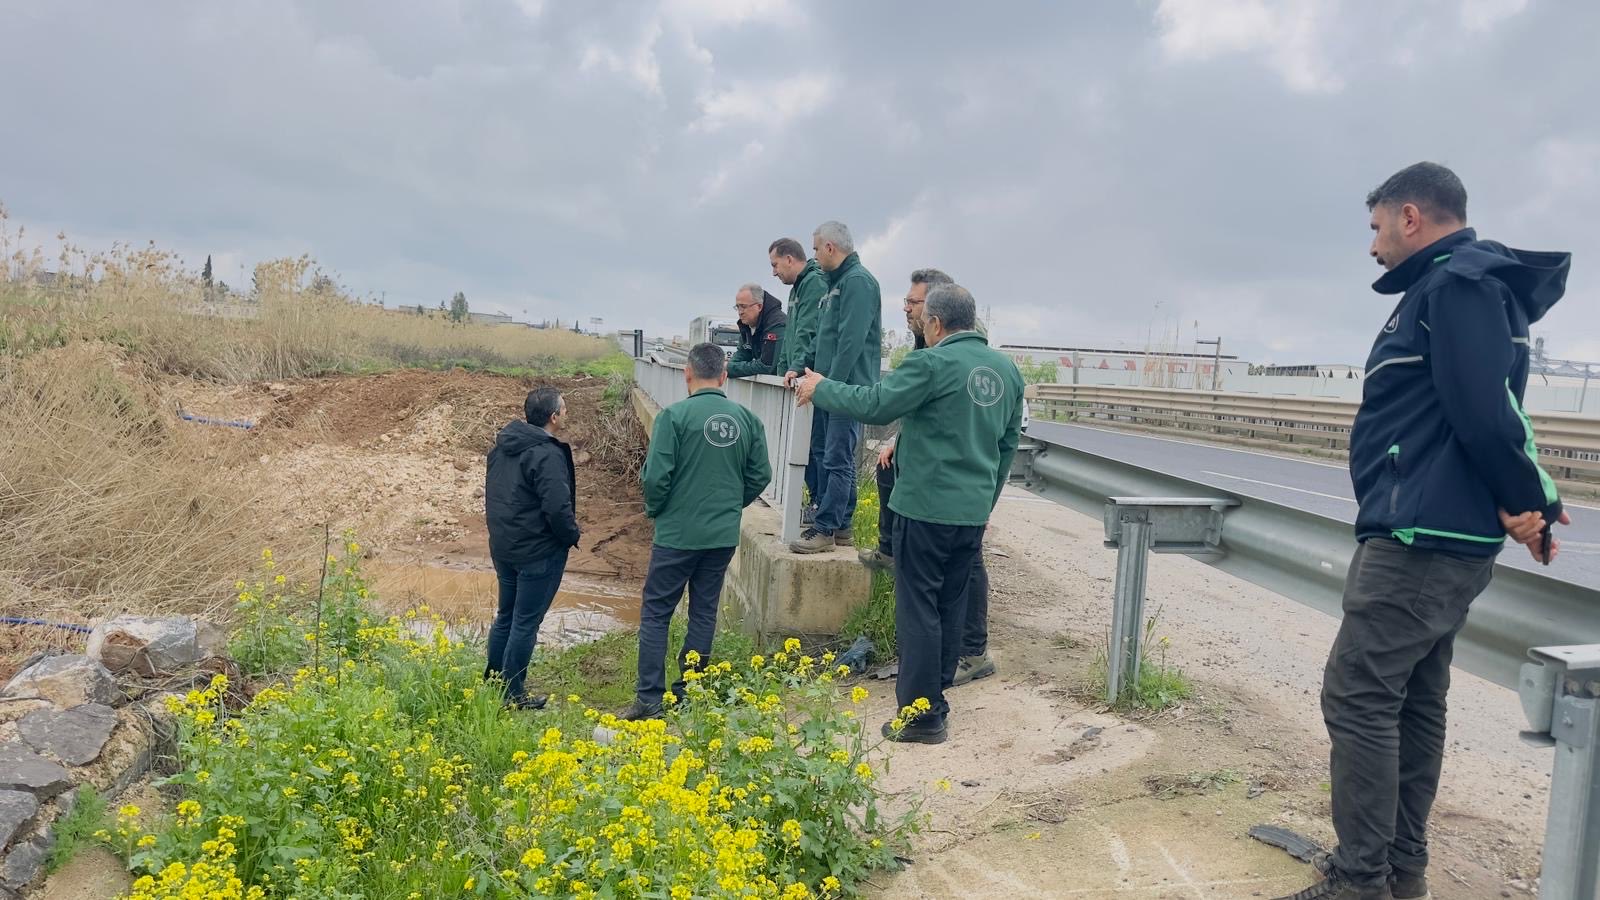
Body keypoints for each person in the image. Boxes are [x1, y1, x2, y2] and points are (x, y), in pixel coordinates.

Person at [1276, 162, 1571, 900]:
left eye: (1376, 228)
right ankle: (1398, 872)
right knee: (1409, 700)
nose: (1372, 246)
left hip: (1420, 538)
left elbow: (1485, 411)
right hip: (1433, 529)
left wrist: (1527, 496)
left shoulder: (1458, 286)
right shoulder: (1452, 289)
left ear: (1411, 217)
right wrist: (1522, 500)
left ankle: (1363, 879)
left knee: (1358, 694)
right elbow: (1475, 411)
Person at [796, 283, 1021, 744]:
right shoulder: (1006, 371)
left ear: (935, 324)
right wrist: (984, 501)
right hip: (970, 512)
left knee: (917, 607)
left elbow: (876, 405)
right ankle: (935, 698)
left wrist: (820, 388)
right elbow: (1006, 447)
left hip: (925, 507)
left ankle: (921, 718)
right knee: (950, 605)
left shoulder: (930, 363)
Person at [618, 343, 771, 720]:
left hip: (677, 534)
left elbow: (656, 477)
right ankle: (690, 691)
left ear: (687, 374)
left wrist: (658, 510)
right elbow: (760, 475)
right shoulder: (748, 420)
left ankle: (650, 700)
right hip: (720, 536)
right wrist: (733, 502)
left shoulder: (675, 418)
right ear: (723, 376)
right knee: (704, 612)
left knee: (656, 612)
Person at [862, 269, 998, 688]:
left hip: (933, 502)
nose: (908, 310)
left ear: (936, 315)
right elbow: (937, 411)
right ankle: (938, 687)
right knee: (950, 595)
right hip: (966, 499)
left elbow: (886, 402)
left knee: (925, 601)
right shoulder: (991, 365)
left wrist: (823, 387)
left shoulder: (941, 351)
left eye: (914, 303)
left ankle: (935, 696)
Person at [783, 221, 881, 553]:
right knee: (825, 453)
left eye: (814, 248)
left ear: (829, 248)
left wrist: (829, 387)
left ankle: (825, 528)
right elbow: (823, 338)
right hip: (826, 386)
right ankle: (841, 524)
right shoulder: (833, 284)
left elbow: (850, 344)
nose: (813, 255)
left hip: (845, 389)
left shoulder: (858, 283)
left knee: (837, 457)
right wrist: (800, 368)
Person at [483, 385, 580, 711]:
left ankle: (494, 682)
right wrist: (571, 535)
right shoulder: (546, 453)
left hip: (505, 546)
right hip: (538, 552)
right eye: (564, 410)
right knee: (525, 621)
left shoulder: (502, 447)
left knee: (506, 616)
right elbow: (557, 506)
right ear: (554, 417)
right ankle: (512, 694)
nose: (566, 414)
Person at [770, 237, 829, 525]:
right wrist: (783, 367)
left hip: (811, 379)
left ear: (790, 259)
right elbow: (791, 335)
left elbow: (807, 330)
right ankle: (814, 501)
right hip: (797, 377)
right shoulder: (798, 288)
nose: (774, 272)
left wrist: (796, 367)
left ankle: (820, 505)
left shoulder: (814, 283)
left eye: (775, 264)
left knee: (816, 447)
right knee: (803, 445)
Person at [726, 282, 787, 378]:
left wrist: (730, 368)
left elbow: (767, 366)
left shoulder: (777, 324)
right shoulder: (747, 325)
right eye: (737, 307)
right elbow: (743, 353)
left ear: (759, 306)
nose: (740, 312)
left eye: (743, 307)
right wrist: (729, 368)